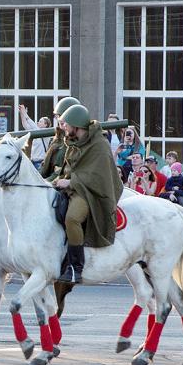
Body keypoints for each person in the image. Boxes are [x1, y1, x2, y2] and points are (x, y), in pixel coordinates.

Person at [53, 104, 123, 283]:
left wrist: (70, 182)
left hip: (90, 192)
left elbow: (97, 177)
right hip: (74, 187)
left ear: (77, 125)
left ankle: (76, 267)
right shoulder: (75, 142)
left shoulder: (99, 145)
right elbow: (71, 167)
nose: (64, 127)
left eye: (66, 124)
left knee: (72, 218)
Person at [39, 96, 80, 182]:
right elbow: (44, 166)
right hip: (50, 182)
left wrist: (44, 184)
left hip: (62, 186)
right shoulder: (57, 138)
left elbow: (62, 172)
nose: (59, 119)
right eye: (57, 116)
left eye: (60, 116)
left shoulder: (77, 141)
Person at [19, 104, 52, 169]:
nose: (37, 122)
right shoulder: (36, 132)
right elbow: (25, 125)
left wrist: (25, 114)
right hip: (33, 162)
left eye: (40, 121)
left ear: (46, 125)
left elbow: (34, 126)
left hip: (40, 162)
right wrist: (21, 113)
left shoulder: (46, 133)